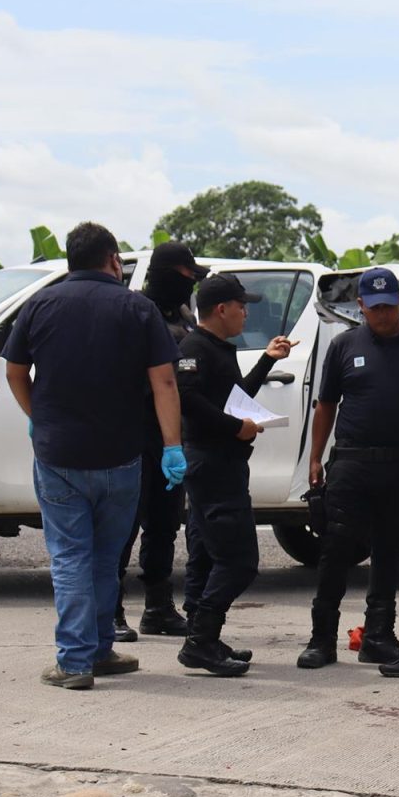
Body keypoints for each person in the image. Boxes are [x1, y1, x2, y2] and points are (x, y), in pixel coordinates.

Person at [3, 222, 185, 690]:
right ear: (111, 260)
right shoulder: (138, 308)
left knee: (70, 558)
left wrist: (36, 414)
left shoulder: (40, 304)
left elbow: (15, 371)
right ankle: (98, 650)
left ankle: (77, 660)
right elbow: (164, 382)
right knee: (105, 560)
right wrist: (172, 446)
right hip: (122, 457)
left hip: (59, 456)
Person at [297, 266, 399, 676]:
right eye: (374, 309)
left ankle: (379, 638)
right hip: (351, 462)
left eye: (389, 306)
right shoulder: (343, 346)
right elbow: (325, 405)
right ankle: (321, 640)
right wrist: (316, 458)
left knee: (389, 550)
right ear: (360, 307)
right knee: (335, 549)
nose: (383, 315)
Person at [174, 273, 296, 677]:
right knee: (240, 561)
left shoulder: (219, 348)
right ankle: (200, 641)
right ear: (222, 309)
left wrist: (267, 360)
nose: (246, 312)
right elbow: (187, 399)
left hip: (224, 462)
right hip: (211, 464)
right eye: (241, 305)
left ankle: (205, 636)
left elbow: (235, 399)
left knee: (211, 555)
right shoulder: (194, 347)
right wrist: (234, 428)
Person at [113, 241, 208, 643]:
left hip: (172, 436)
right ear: (169, 274)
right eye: (188, 277)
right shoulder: (134, 310)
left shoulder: (185, 315)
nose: (191, 287)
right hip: (135, 432)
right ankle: (111, 610)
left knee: (164, 524)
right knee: (123, 527)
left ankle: (157, 607)